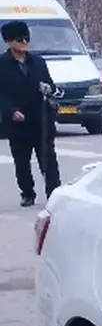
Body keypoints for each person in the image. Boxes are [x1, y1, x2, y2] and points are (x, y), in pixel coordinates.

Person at [2, 20, 61, 207]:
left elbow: (50, 84)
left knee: (48, 158)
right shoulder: (1, 65)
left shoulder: (38, 62)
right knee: (22, 161)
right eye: (20, 40)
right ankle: (27, 193)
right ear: (9, 42)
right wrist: (11, 111)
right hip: (17, 122)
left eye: (27, 39)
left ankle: (53, 191)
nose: (25, 43)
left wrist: (49, 88)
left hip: (41, 119)